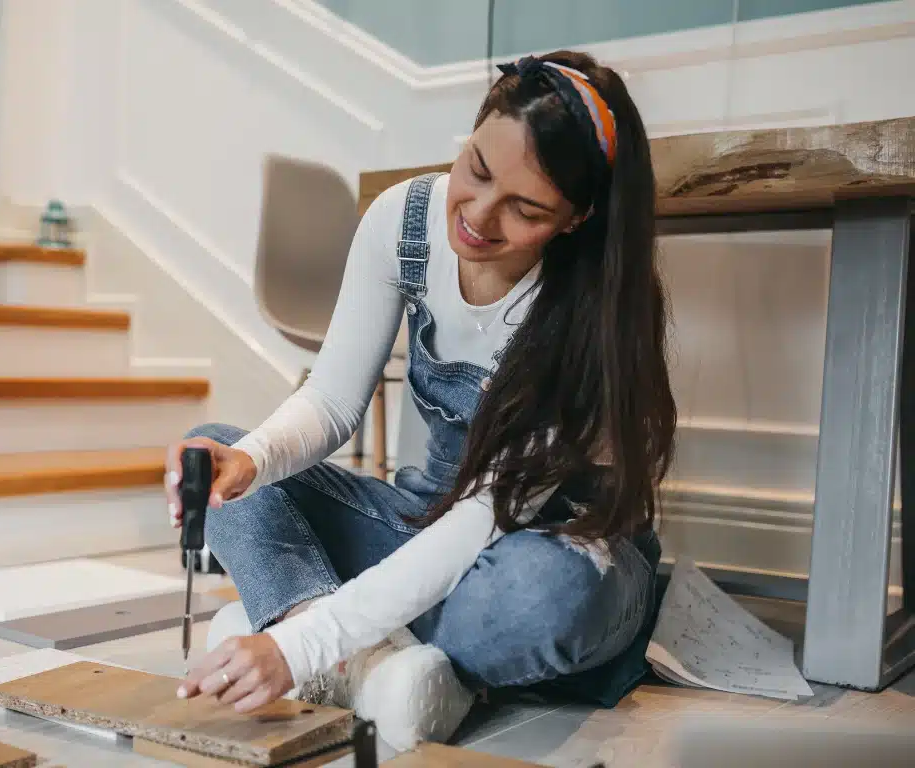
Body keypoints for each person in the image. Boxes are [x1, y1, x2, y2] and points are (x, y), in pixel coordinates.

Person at [165, 50, 676, 750]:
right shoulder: (403, 221)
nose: (478, 218)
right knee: (222, 454)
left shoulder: (592, 317)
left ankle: (309, 633)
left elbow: (481, 522)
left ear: (575, 218)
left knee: (544, 600)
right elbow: (335, 402)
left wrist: (301, 648)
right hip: (421, 518)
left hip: (554, 549)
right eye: (477, 169)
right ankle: (372, 666)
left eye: (524, 209)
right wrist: (249, 460)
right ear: (471, 133)